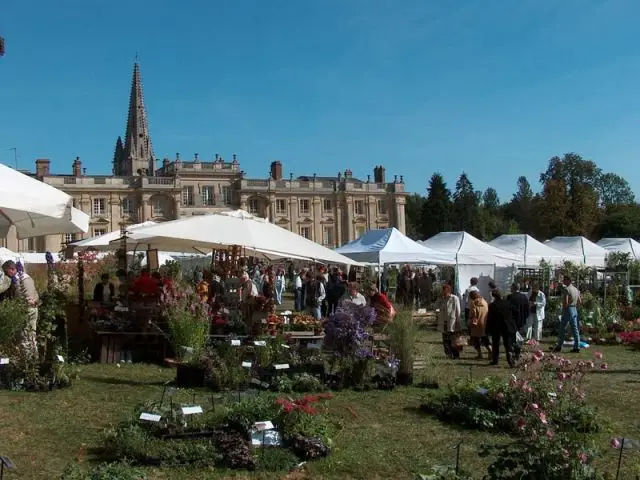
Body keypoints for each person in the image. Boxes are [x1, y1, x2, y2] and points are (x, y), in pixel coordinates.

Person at [2, 260, 39, 356]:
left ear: (12, 269)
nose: (6, 275)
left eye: (6, 272)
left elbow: (18, 298)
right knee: (32, 336)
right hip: (34, 309)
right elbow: (36, 293)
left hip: (24, 310)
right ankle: (35, 359)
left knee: (23, 337)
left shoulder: (17, 280)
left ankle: (27, 363)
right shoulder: (28, 277)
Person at [486, 289, 516, 367]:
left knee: (495, 343)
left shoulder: (492, 305)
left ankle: (495, 359)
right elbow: (515, 311)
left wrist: (487, 328)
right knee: (507, 342)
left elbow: (490, 318)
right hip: (507, 325)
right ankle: (509, 355)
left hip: (496, 326)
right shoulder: (508, 303)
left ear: (493, 296)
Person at [554, 275, 581, 353]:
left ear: (568, 280)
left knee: (562, 328)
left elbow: (565, 303)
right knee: (575, 329)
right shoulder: (576, 289)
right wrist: (574, 308)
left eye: (564, 280)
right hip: (574, 309)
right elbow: (580, 302)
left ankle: (559, 346)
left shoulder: (566, 289)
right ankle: (577, 346)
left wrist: (565, 307)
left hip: (567, 310)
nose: (563, 281)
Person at [436, 282, 462, 359]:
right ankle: (448, 354)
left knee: (454, 340)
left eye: (445, 290)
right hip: (443, 323)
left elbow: (458, 310)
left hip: (452, 323)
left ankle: (456, 355)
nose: (444, 292)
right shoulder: (441, 299)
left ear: (449, 290)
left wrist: (458, 321)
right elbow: (435, 307)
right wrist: (439, 300)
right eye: (443, 290)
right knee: (445, 340)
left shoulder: (454, 298)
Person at [507, 283, 529, 359]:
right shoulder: (524, 297)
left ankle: (513, 352)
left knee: (512, 337)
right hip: (521, 321)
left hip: (512, 321)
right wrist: (525, 318)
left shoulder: (510, 297)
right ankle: (518, 352)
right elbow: (527, 309)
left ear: (513, 288)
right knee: (519, 337)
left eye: (511, 287)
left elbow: (508, 309)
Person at [468, 290, 490, 359]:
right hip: (484, 323)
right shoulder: (484, 302)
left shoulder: (473, 303)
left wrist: (469, 319)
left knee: (475, 340)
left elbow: (473, 313)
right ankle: (490, 351)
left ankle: (480, 354)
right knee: (485, 339)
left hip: (476, 324)